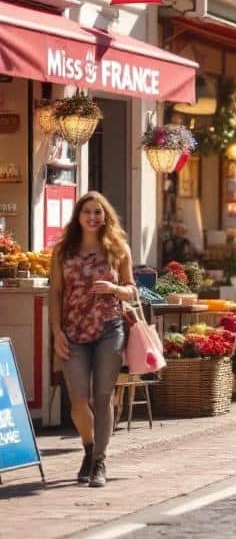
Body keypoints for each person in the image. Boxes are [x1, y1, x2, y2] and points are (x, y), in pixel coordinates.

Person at [48, 192, 137, 488]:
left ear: (105, 216)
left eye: (98, 212)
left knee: (103, 396)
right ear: (78, 216)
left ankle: (100, 460)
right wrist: (57, 331)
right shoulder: (63, 251)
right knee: (77, 400)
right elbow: (55, 292)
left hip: (109, 328)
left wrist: (114, 288)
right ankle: (88, 447)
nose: (92, 217)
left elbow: (131, 291)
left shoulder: (117, 249)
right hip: (72, 331)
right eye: (87, 212)